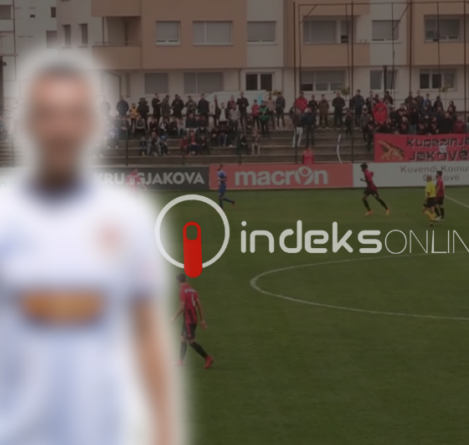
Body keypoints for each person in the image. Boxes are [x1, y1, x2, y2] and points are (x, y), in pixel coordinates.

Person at [2, 57, 175, 445]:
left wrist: (163, 431)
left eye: (74, 113)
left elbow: (146, 332)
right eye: (48, 113)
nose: (61, 128)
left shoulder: (126, 221)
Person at [172, 274, 213, 368]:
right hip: (192, 319)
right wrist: (202, 320)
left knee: (191, 342)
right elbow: (199, 305)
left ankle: (208, 358)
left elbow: (182, 307)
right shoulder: (192, 290)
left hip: (188, 320)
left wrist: (174, 317)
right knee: (182, 338)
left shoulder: (182, 291)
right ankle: (180, 361)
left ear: (178, 281)